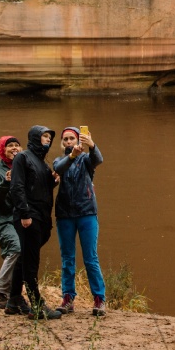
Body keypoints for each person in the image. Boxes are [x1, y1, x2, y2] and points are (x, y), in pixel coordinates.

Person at [7, 125, 61, 319]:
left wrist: (53, 181)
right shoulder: (23, 157)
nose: (48, 140)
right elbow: (17, 187)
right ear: (35, 138)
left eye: (49, 137)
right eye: (44, 136)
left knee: (26, 257)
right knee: (31, 262)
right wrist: (24, 214)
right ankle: (37, 305)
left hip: (41, 216)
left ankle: (13, 300)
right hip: (29, 216)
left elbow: (40, 187)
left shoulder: (41, 161)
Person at [53, 126, 106, 317]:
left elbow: (98, 160)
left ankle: (99, 299)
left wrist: (92, 145)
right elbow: (58, 168)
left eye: (72, 139)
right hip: (65, 215)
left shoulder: (86, 159)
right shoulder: (60, 160)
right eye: (65, 139)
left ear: (78, 140)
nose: (68, 142)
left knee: (91, 258)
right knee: (67, 258)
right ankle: (68, 298)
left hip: (87, 213)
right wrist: (71, 156)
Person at [0, 137, 23, 308]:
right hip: (3, 220)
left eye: (16, 145)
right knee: (15, 248)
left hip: (21, 219)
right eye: (10, 146)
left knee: (19, 254)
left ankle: (13, 295)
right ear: (2, 150)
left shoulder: (23, 167)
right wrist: (6, 183)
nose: (14, 148)